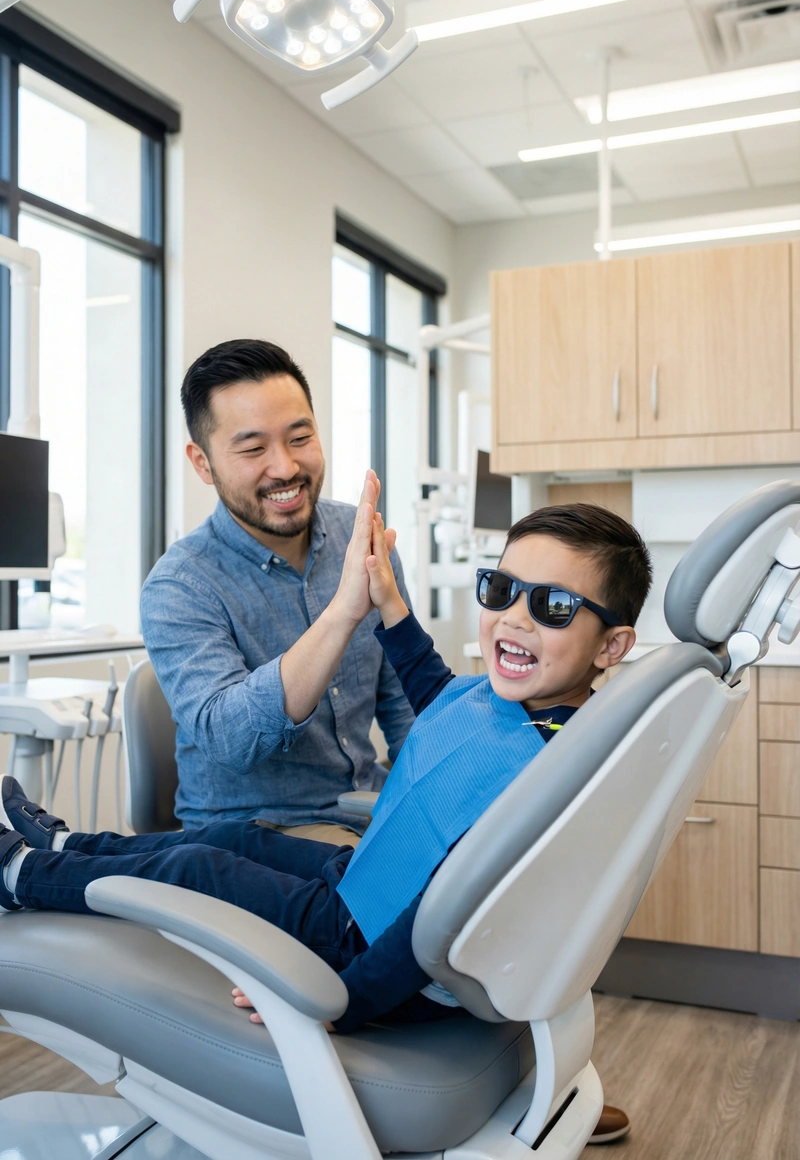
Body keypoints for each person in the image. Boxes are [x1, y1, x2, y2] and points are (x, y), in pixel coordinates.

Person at [0, 478, 651, 1143]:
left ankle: (21, 875)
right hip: (362, 881)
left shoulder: (548, 778)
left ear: (611, 646)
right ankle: (66, 845)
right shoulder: (515, 706)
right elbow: (437, 697)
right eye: (503, 590)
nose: (515, 618)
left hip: (366, 942)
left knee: (198, 865)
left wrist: (342, 1003)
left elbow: (433, 926)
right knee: (235, 836)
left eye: (554, 606)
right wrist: (388, 602)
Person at [140, 339, 415, 844]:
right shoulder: (180, 585)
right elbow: (231, 740)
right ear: (203, 463)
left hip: (368, 813)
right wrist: (341, 615)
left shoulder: (361, 539)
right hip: (252, 837)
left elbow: (404, 710)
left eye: (300, 437)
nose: (286, 467)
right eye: (252, 449)